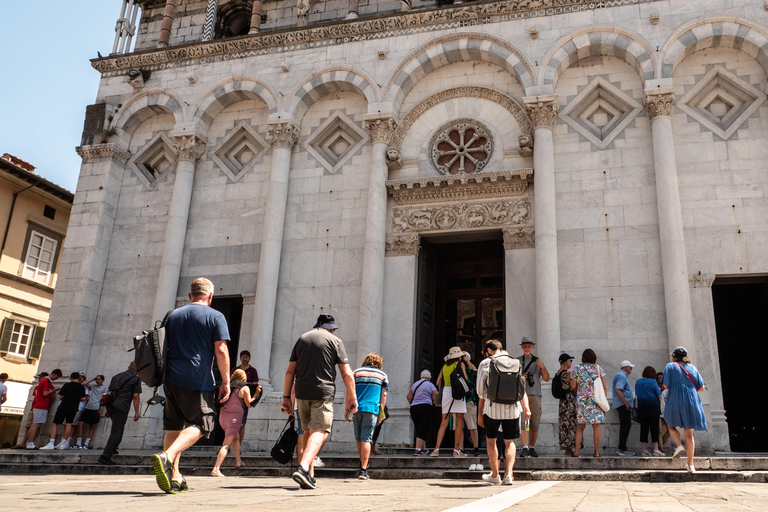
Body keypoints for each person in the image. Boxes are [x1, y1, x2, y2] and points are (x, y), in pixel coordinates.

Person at [151, 278, 231, 494]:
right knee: (203, 425)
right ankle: (166, 457)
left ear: (189, 296)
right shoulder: (216, 316)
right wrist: (226, 381)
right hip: (198, 379)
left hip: (170, 379)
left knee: (174, 426)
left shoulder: (173, 315)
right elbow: (221, 349)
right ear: (211, 297)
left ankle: (174, 477)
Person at [281, 314, 357, 490]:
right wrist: (352, 398)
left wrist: (286, 398)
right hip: (322, 393)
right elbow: (347, 373)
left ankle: (310, 476)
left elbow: (289, 372)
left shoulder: (302, 339)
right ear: (331, 328)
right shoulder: (335, 341)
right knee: (320, 431)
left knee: (307, 431)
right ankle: (303, 467)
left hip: (301, 393)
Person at [476, 340, 531, 485]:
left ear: (489, 350)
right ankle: (509, 474)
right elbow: (521, 388)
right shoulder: (515, 362)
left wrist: (480, 412)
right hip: (512, 408)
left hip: (492, 408)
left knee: (491, 440)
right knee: (510, 441)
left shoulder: (486, 363)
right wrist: (526, 407)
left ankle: (495, 474)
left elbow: (480, 391)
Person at [662, 346, 707, 473]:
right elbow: (702, 388)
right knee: (689, 434)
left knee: (670, 424)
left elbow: (665, 385)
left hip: (675, 398)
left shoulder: (670, 366)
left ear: (674, 356)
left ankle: (679, 446)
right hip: (691, 400)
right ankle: (690, 465)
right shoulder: (693, 368)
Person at [211, 369, 258, 476]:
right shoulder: (244, 388)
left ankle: (238, 461)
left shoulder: (226, 386)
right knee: (226, 444)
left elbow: (219, 400)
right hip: (234, 419)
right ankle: (216, 468)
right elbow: (249, 404)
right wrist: (256, 393)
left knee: (235, 437)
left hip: (223, 417)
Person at [352, 353, 388, 480]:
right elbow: (383, 395)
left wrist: (347, 408)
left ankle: (362, 461)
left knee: (359, 437)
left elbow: (349, 390)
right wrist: (381, 412)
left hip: (356, 408)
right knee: (366, 438)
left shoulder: (356, 372)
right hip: (371, 409)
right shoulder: (382, 375)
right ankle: (363, 469)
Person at [98, 362, 141, 465]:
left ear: (128, 367)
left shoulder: (116, 376)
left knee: (118, 428)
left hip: (111, 404)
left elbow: (111, 392)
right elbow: (135, 396)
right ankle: (105, 456)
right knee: (117, 430)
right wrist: (136, 412)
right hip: (121, 406)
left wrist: (108, 410)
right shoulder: (136, 379)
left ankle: (113, 448)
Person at [431, 346, 469, 458]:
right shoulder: (460, 364)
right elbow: (465, 379)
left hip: (447, 392)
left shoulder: (444, 366)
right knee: (459, 423)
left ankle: (436, 450)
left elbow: (437, 382)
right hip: (457, 392)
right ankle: (456, 451)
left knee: (444, 423)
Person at [569, 349, 607, 457]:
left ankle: (576, 452)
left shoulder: (577, 368)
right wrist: (603, 400)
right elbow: (604, 386)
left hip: (582, 400)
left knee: (580, 427)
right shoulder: (598, 368)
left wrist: (580, 390)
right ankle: (596, 452)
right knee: (596, 426)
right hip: (596, 401)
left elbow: (572, 386)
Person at [517, 337, 549, 457]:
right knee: (523, 422)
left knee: (535, 422)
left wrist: (543, 367)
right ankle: (525, 447)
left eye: (529, 346)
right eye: (525, 346)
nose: (527, 348)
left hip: (536, 393)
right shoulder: (517, 361)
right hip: (521, 394)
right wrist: (521, 378)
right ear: (521, 347)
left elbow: (546, 378)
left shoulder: (537, 361)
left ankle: (532, 447)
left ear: (533, 347)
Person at [41, 372, 85, 450]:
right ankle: (63, 443)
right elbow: (83, 398)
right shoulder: (81, 387)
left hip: (64, 406)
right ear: (78, 378)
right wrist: (76, 399)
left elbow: (60, 397)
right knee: (68, 424)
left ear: (71, 378)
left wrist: (66, 398)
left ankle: (51, 442)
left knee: (55, 423)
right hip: (73, 407)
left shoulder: (67, 385)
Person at [25, 368, 62, 449]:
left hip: (40, 405)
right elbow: (45, 393)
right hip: (41, 405)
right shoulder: (46, 381)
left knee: (36, 424)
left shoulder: (44, 381)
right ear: (54, 374)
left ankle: (30, 443)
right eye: (56, 377)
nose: (56, 379)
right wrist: (54, 390)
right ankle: (30, 443)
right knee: (36, 424)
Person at [407, 369, 438, 455]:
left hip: (414, 408)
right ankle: (417, 450)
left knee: (419, 428)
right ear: (429, 377)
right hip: (425, 407)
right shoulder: (430, 384)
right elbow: (436, 396)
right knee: (423, 428)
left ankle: (423, 449)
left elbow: (409, 397)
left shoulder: (415, 384)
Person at [635, 366, 664, 457]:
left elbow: (636, 394)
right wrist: (661, 405)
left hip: (642, 407)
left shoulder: (638, 382)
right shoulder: (653, 381)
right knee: (654, 429)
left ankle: (644, 450)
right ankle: (655, 449)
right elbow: (659, 395)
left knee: (644, 429)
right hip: (653, 407)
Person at [231, 350, 259, 445]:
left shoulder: (253, 371)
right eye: (243, 357)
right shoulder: (235, 370)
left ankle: (238, 444)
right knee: (232, 423)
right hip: (233, 399)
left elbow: (255, 385)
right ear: (240, 358)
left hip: (245, 399)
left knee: (242, 424)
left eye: (246, 357)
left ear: (249, 358)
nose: (245, 358)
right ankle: (230, 443)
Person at [77, 375, 107, 449]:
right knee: (80, 424)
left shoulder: (104, 388)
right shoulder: (93, 386)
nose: (97, 381)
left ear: (102, 380)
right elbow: (83, 384)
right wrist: (93, 378)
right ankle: (78, 442)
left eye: (99, 379)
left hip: (95, 408)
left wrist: (100, 409)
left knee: (92, 426)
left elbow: (103, 400)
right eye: (97, 379)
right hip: (87, 407)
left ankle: (86, 443)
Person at [612, 360, 636, 457]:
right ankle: (622, 448)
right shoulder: (622, 376)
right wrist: (626, 403)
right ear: (625, 367)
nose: (631, 369)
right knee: (625, 426)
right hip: (623, 405)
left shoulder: (621, 376)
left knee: (626, 425)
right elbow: (618, 390)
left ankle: (622, 448)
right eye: (630, 367)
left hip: (622, 405)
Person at [556, 353, 577, 456]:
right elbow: (573, 387)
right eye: (570, 361)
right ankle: (569, 448)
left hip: (562, 403)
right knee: (571, 424)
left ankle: (566, 448)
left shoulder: (557, 373)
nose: (571, 363)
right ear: (566, 362)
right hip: (570, 402)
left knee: (564, 424)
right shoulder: (568, 374)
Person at [461, 352, 480, 456]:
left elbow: (477, 372)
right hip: (458, 400)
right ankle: (460, 448)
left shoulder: (469, 369)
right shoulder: (456, 367)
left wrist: (467, 361)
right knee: (459, 426)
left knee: (472, 425)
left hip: (469, 399)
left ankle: (476, 447)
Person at [71, 373, 89, 449]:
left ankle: (72, 442)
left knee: (74, 425)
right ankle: (68, 441)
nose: (79, 378)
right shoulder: (75, 386)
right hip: (73, 407)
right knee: (71, 424)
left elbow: (84, 398)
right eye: (79, 377)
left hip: (80, 408)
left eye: (81, 377)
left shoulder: (85, 387)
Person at [657, 371, 671, 447]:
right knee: (659, 430)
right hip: (658, 411)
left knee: (670, 429)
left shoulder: (668, 388)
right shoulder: (656, 387)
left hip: (667, 410)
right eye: (658, 378)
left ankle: (660, 443)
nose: (659, 379)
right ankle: (661, 448)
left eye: (661, 377)